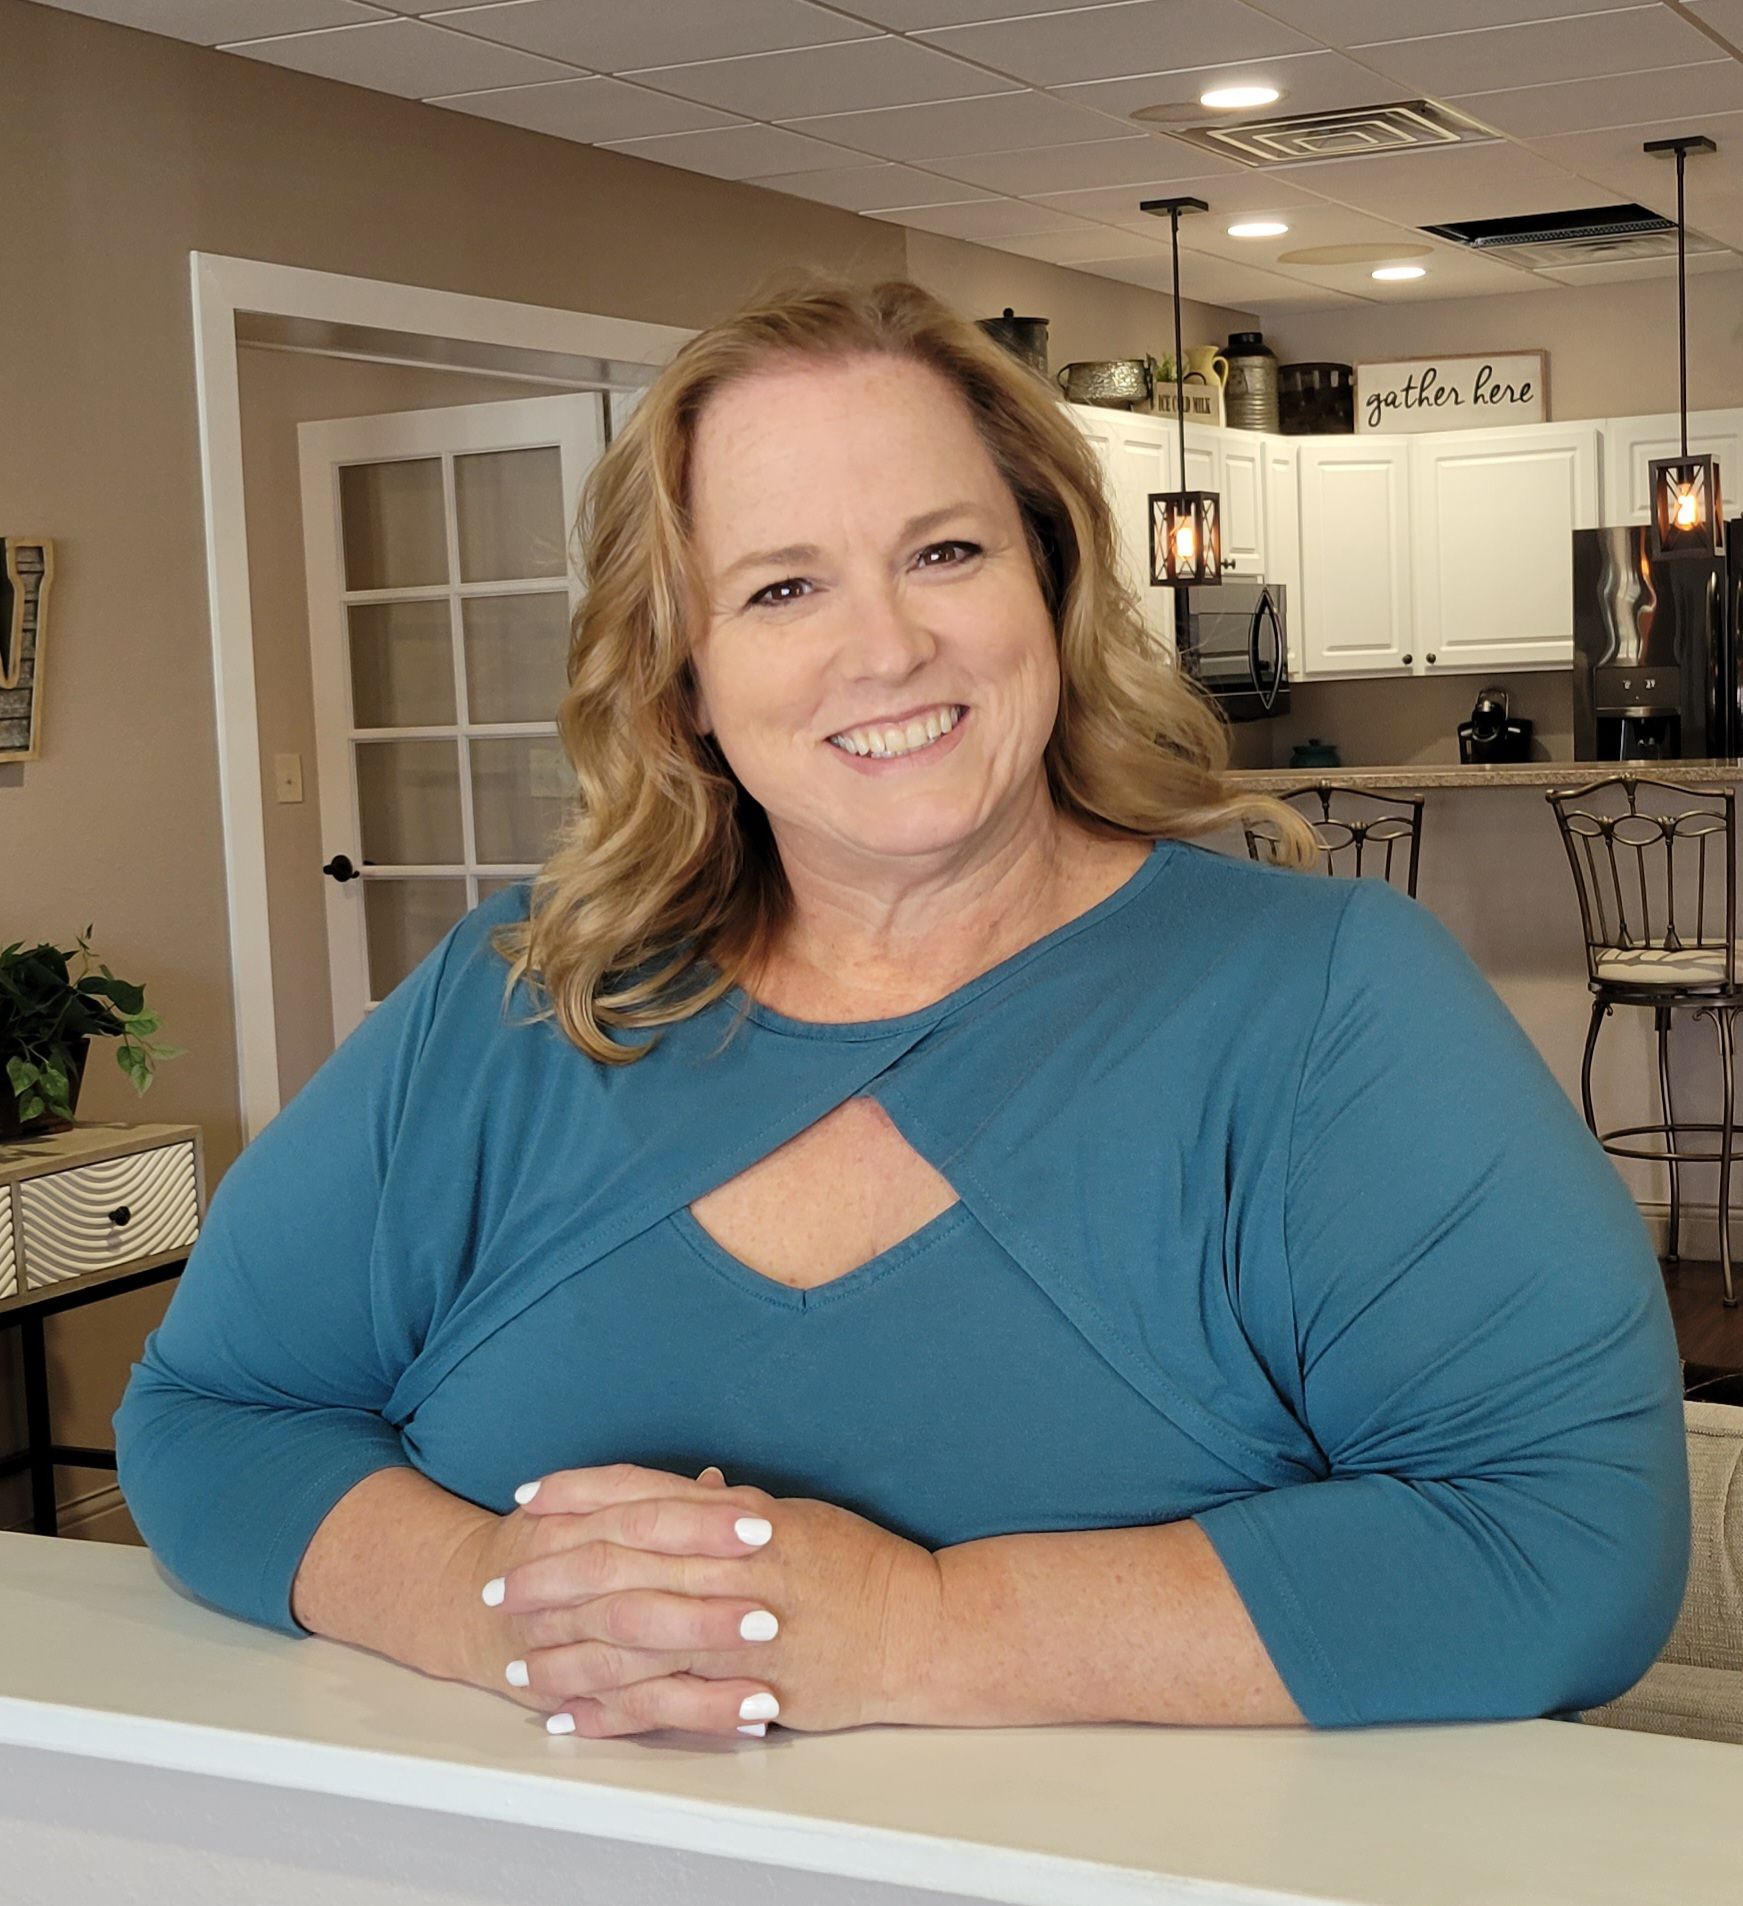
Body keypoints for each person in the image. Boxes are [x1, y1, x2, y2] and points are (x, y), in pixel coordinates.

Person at [115, 270, 1689, 1743]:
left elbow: (1567, 1538)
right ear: (683, 677)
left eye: (946, 551)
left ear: (1049, 584)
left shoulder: (1332, 1006)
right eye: (784, 585)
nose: (887, 645)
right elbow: (212, 1417)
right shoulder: (515, 999)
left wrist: (920, 1628)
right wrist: (507, 1611)